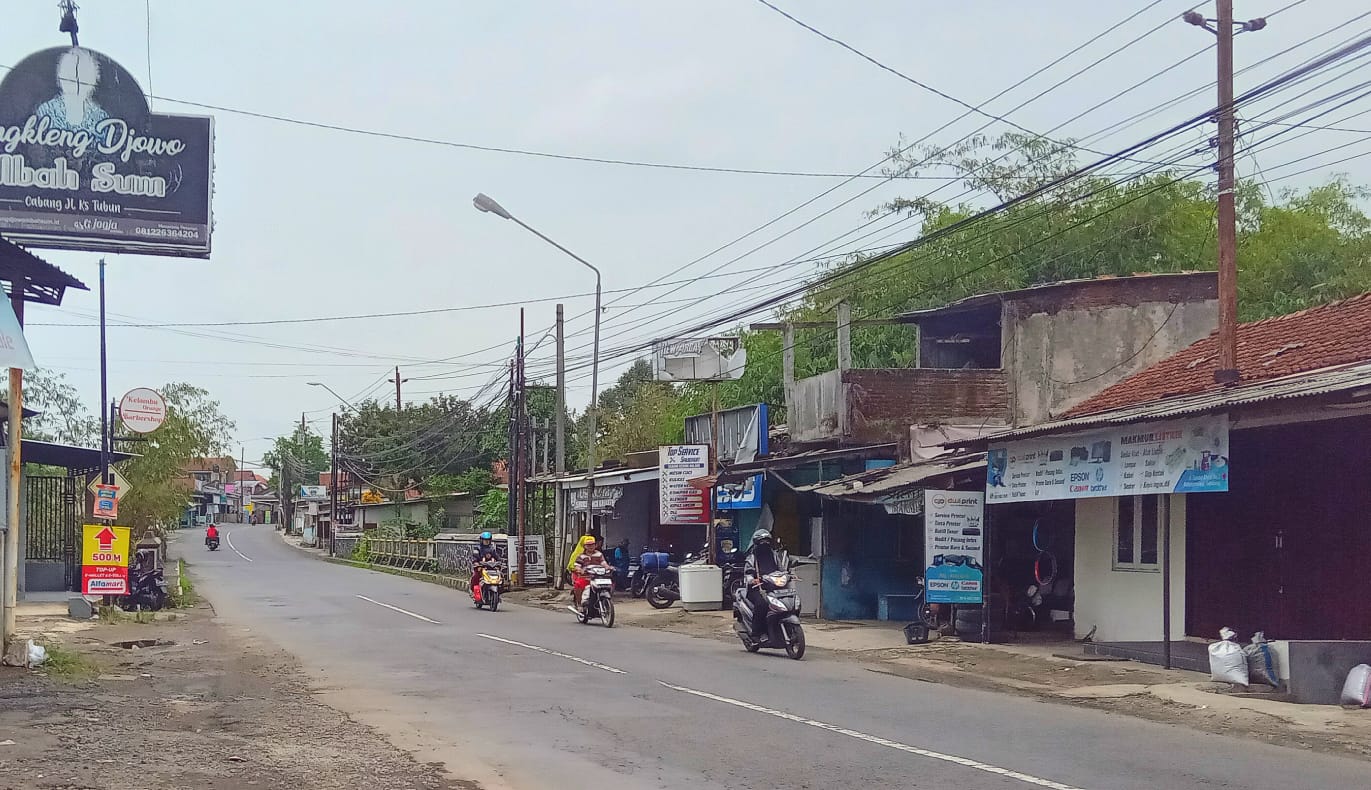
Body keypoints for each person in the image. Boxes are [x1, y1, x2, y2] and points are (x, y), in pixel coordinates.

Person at [743, 529, 786, 639]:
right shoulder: (752, 557)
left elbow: (781, 569)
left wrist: (788, 575)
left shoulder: (774, 555)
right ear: (757, 543)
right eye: (762, 542)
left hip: (774, 586)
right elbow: (748, 573)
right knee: (762, 604)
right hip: (757, 588)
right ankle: (758, 632)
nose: (765, 544)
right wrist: (752, 579)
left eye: (767, 541)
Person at [571, 536, 609, 613]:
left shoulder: (599, 554)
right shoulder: (581, 556)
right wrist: (580, 570)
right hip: (586, 576)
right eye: (588, 545)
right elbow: (577, 566)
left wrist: (608, 567)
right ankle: (580, 605)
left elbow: (603, 563)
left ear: (595, 545)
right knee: (578, 584)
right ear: (585, 546)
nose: (590, 546)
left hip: (598, 577)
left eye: (592, 545)